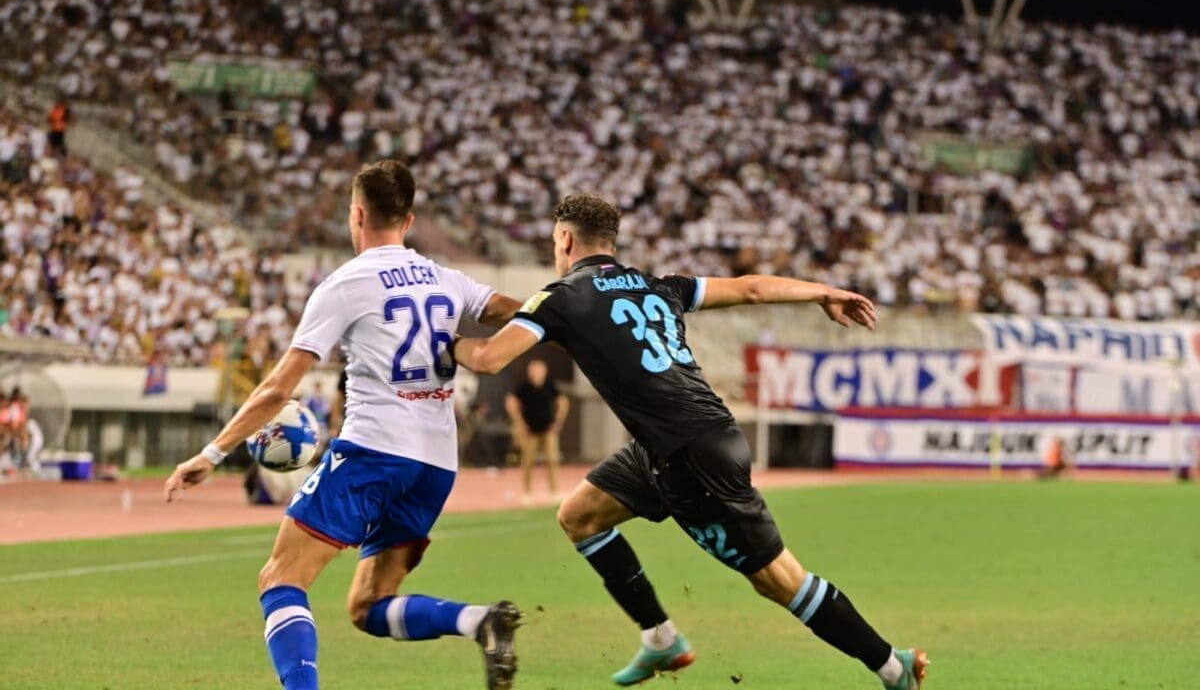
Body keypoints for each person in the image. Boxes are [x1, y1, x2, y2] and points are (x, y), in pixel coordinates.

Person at [455, 194, 928, 689]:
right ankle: (660, 638)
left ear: (565, 240)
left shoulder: (562, 296)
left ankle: (893, 668)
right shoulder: (657, 286)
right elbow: (750, 289)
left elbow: (487, 360)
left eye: (555, 242)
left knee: (780, 581)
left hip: (691, 458)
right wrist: (823, 291)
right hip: (672, 444)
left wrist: (438, 337)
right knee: (580, 516)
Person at [164, 160, 525, 690]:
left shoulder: (347, 283)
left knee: (280, 580)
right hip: (435, 466)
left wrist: (213, 453)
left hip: (373, 451)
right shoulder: (450, 282)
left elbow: (276, 389)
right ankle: (480, 620)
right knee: (367, 605)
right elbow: (513, 309)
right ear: (410, 219)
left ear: (356, 214)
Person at [506, 359, 568, 503]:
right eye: (533, 370)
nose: (536, 373)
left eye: (539, 369)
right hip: (530, 431)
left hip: (548, 429)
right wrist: (520, 423)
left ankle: (554, 491)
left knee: (552, 460)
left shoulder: (550, 385)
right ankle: (527, 492)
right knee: (528, 461)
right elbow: (511, 402)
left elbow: (563, 402)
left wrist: (558, 422)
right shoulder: (524, 387)